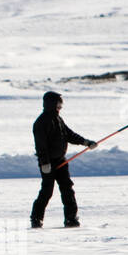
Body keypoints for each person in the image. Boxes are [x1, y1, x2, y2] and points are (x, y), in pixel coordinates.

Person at [30, 92, 96, 228]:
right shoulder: (41, 122)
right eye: (59, 103)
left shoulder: (58, 119)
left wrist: (86, 142)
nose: (61, 106)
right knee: (47, 191)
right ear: (51, 104)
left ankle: (71, 218)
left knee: (67, 189)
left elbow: (69, 135)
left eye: (61, 104)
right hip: (48, 164)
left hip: (61, 161)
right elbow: (40, 145)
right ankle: (36, 218)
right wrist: (44, 163)